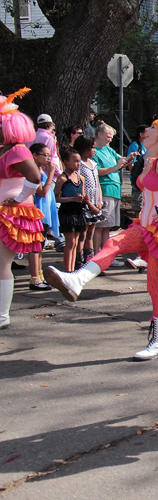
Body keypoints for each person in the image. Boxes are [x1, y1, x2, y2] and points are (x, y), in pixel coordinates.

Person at [45, 118, 158, 359]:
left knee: (154, 286)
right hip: (145, 226)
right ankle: (77, 279)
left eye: (152, 128)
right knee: (113, 242)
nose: (146, 130)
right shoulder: (151, 160)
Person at [0, 88, 47, 329]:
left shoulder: (17, 150)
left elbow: (35, 177)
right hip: (4, 211)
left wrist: (19, 198)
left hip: (11, 214)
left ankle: (2, 316)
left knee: (2, 264)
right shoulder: (5, 150)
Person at [92, 123, 128, 263]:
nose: (110, 140)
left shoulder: (108, 149)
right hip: (105, 189)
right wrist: (116, 167)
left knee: (107, 227)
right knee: (100, 226)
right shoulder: (94, 151)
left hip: (114, 190)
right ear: (99, 134)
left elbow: (120, 161)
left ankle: (106, 256)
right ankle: (97, 256)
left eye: (111, 137)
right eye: (108, 136)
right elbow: (97, 171)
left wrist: (129, 158)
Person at [28, 142, 58, 290]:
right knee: (35, 246)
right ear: (34, 156)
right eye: (44, 155)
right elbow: (42, 192)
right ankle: (34, 278)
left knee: (40, 245)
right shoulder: (33, 171)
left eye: (49, 155)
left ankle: (39, 275)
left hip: (45, 212)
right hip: (37, 211)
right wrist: (51, 173)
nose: (48, 158)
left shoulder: (41, 170)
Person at [54, 147, 87, 272]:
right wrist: (72, 199)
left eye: (79, 161)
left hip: (78, 211)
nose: (78, 164)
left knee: (76, 241)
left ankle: (72, 269)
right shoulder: (62, 179)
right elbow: (56, 197)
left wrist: (84, 199)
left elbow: (82, 195)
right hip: (67, 211)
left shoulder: (81, 178)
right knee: (70, 241)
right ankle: (68, 270)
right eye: (75, 161)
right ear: (66, 162)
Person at [74, 135, 104, 266]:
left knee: (90, 233)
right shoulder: (79, 165)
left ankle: (89, 259)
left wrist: (99, 201)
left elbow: (97, 184)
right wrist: (89, 204)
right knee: (82, 234)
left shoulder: (93, 164)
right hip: (85, 204)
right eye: (92, 148)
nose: (94, 150)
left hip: (95, 203)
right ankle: (78, 260)